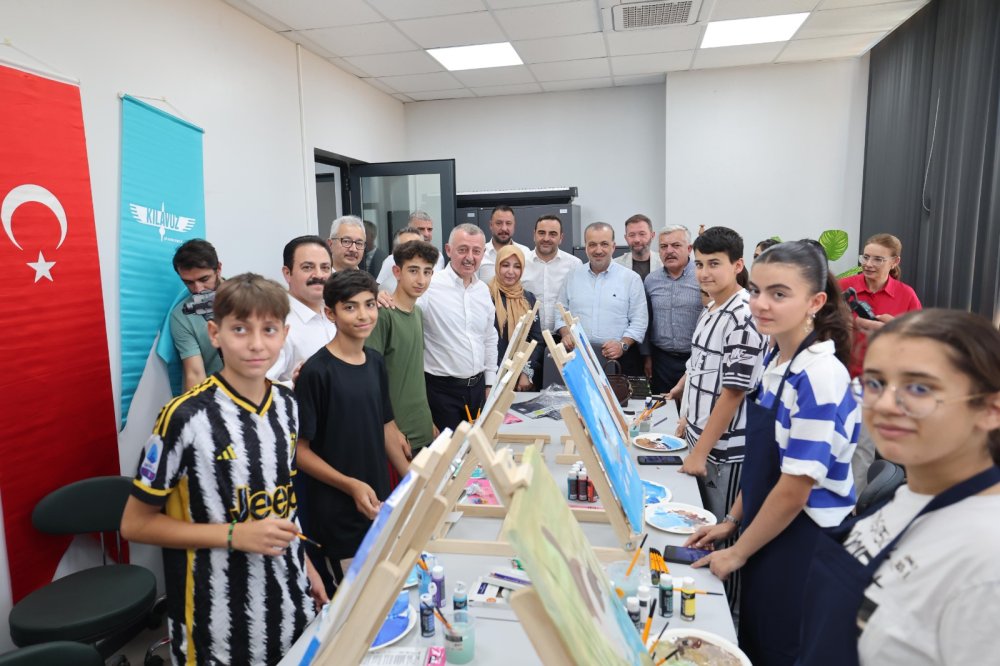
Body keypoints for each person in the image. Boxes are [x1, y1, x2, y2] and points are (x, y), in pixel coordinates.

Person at [122, 273, 326, 666]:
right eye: (240, 329)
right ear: (215, 334)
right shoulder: (183, 417)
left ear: (284, 335)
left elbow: (282, 502)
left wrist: (307, 567)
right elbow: (134, 524)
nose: (256, 343)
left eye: (269, 330)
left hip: (288, 599)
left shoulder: (287, 405)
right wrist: (234, 534)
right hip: (214, 619)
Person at [685, 240, 859, 666]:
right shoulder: (775, 359)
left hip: (805, 541)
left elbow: (794, 488)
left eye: (779, 294)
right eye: (757, 290)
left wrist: (738, 552)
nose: (761, 304)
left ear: (815, 302)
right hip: (768, 529)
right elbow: (767, 465)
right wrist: (731, 521)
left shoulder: (819, 376)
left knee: (783, 649)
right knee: (757, 639)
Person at [798, 309, 1000, 666]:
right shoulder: (909, 495)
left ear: (990, 409)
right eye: (875, 383)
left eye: (919, 388)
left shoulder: (987, 560)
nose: (886, 404)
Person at [294, 270, 410, 588]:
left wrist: (415, 482)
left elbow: (386, 427)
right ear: (330, 313)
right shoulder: (316, 372)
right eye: (350, 307)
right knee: (352, 602)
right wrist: (350, 485)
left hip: (377, 504)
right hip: (338, 514)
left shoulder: (374, 362)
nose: (363, 315)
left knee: (383, 593)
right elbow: (300, 452)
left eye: (369, 305)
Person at [840, 233, 922, 491]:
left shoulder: (905, 295)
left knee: (862, 449)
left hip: (875, 385)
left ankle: (853, 506)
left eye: (878, 259)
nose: (868, 264)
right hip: (838, 377)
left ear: (894, 262)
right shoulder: (844, 287)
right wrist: (849, 324)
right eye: (865, 257)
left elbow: (921, 341)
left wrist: (893, 329)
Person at [421, 223, 499, 431]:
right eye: (463, 250)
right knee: (449, 450)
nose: (470, 257)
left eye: (476, 251)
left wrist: (490, 383)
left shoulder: (482, 291)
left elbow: (489, 338)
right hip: (441, 392)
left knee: (477, 447)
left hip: (478, 390)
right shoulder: (429, 286)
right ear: (448, 250)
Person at [366, 240, 440, 457]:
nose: (421, 280)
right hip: (398, 434)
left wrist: (427, 420)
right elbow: (370, 381)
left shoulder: (417, 313)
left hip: (422, 427)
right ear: (397, 272)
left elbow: (413, 374)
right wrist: (390, 430)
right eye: (413, 271)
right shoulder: (383, 316)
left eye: (427, 272)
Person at [557, 222, 647, 376]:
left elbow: (639, 321)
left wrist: (622, 345)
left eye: (604, 244)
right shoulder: (572, 276)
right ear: (586, 247)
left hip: (618, 360)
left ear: (613, 246)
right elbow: (560, 312)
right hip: (578, 357)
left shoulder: (631, 279)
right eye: (592, 244)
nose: (598, 250)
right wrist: (566, 334)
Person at [643, 225, 702, 405]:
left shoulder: (702, 277)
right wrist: (647, 356)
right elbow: (646, 321)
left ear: (689, 249)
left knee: (694, 410)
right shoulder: (651, 280)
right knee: (663, 410)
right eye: (663, 246)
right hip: (662, 362)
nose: (669, 251)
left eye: (676, 245)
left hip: (696, 359)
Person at [267, 235, 335, 383]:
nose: (318, 275)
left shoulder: (338, 312)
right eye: (308, 267)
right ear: (287, 273)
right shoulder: (277, 323)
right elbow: (259, 387)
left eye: (325, 268)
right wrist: (297, 385)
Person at [170, 239, 225, 391]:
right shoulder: (181, 316)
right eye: (188, 282)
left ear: (218, 269)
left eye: (204, 279)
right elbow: (195, 374)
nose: (198, 289)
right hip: (216, 396)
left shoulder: (247, 296)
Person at [488, 245, 544, 391]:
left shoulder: (529, 299)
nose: (511, 271)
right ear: (497, 266)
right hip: (490, 378)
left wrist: (526, 372)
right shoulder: (486, 296)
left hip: (520, 380)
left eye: (517, 266)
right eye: (505, 265)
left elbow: (536, 341)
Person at [521, 214, 582, 333]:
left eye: (553, 234)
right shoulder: (521, 263)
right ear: (534, 235)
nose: (546, 238)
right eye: (541, 233)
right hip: (528, 336)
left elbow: (579, 304)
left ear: (561, 238)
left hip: (564, 336)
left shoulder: (574, 265)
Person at [479, 205, 529, 282]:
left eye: (508, 223)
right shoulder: (479, 254)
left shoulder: (525, 253)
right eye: (499, 223)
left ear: (514, 226)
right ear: (491, 225)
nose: (504, 228)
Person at [375, 226, 424, 294]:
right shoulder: (387, 291)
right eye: (407, 247)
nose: (413, 252)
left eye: (418, 247)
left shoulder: (431, 280)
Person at [614, 213, 662, 281]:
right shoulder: (615, 265)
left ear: (652, 235)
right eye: (632, 235)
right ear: (626, 238)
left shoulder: (664, 263)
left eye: (642, 234)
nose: (637, 240)